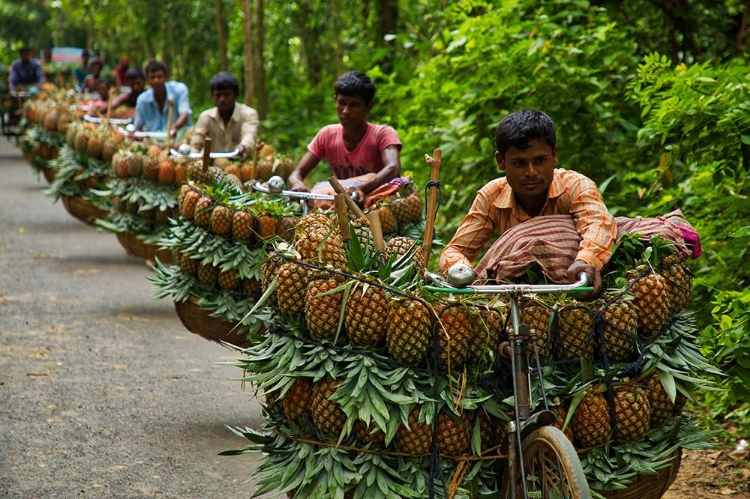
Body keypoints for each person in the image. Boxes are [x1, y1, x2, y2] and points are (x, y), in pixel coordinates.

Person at [438, 109, 617, 295]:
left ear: (554, 155)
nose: (531, 172)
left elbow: (598, 224)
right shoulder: (492, 195)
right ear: (501, 161)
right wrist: (462, 271)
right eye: (519, 163)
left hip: (572, 286)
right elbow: (454, 250)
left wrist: (586, 261)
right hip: (516, 293)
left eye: (540, 160)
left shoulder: (576, 186)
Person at [287, 71, 403, 204]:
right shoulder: (327, 135)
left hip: (377, 204)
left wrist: (360, 189)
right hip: (343, 207)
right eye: (342, 103)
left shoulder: (383, 134)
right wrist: (297, 184)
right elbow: (297, 173)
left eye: (354, 105)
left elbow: (393, 168)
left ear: (369, 107)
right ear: (335, 100)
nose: (346, 111)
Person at [189, 72, 258, 162]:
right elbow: (195, 144)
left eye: (227, 95)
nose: (222, 99)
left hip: (240, 166)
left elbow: (249, 135)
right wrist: (196, 160)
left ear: (236, 94)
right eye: (218, 95)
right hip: (212, 169)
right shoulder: (206, 117)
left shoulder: (248, 114)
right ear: (212, 96)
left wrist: (243, 147)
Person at [133, 60, 192, 138]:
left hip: (181, 139)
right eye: (152, 77)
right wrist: (137, 135)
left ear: (166, 77)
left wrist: (175, 127)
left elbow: (184, 114)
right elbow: (137, 127)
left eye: (159, 77)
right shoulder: (142, 100)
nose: (156, 81)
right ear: (147, 79)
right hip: (155, 143)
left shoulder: (179, 90)